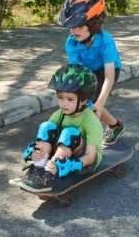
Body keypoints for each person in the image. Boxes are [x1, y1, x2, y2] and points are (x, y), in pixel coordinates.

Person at [20, 64, 104, 193]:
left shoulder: (91, 122)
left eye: (70, 99)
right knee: (47, 127)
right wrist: (35, 150)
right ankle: (39, 167)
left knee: (70, 133)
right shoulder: (59, 114)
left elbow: (90, 157)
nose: (64, 103)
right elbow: (46, 137)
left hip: (84, 162)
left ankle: (48, 173)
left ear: (84, 100)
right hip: (63, 152)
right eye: (60, 98)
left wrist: (72, 165)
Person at [57, 0, 125, 145]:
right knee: (82, 101)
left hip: (107, 71)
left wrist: (99, 103)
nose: (74, 31)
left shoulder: (105, 41)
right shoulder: (72, 43)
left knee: (92, 102)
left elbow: (109, 77)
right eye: (71, 26)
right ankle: (115, 125)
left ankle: (89, 138)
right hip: (87, 70)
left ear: (94, 24)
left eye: (79, 26)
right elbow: (76, 72)